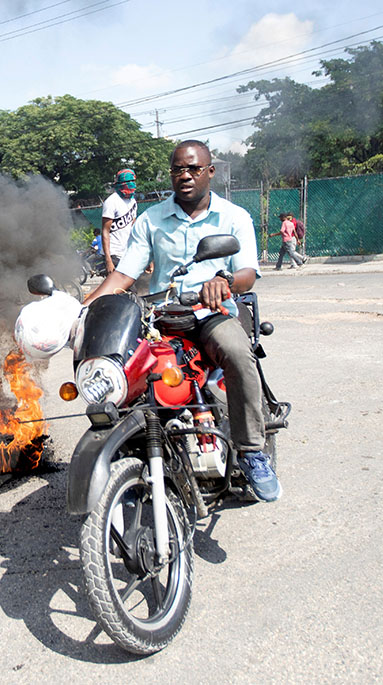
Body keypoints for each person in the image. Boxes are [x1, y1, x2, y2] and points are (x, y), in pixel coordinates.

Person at [84, 139, 280, 502]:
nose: (185, 175)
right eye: (177, 169)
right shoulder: (152, 219)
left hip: (211, 315)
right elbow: (124, 274)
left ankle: (252, 452)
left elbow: (248, 273)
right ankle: (132, 454)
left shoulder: (234, 217)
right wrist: (83, 307)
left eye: (193, 168)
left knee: (237, 354)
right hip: (161, 319)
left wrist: (224, 282)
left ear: (210, 172)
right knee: (119, 370)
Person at [100, 168, 138, 275]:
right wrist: (108, 260)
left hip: (127, 253)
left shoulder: (132, 201)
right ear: (120, 184)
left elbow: (133, 227)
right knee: (121, 289)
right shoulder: (111, 202)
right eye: (128, 182)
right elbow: (105, 231)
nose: (131, 185)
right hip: (114, 253)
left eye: (133, 182)